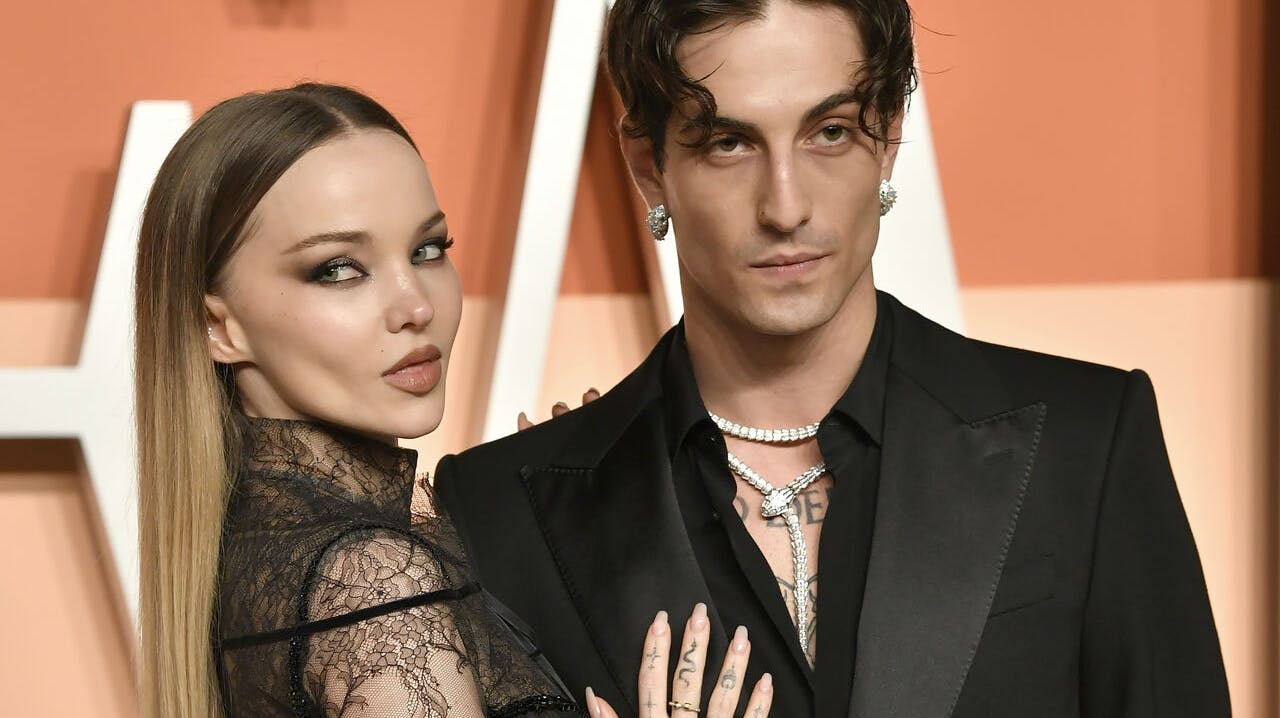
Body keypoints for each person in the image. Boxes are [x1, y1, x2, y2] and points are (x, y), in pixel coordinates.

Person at [434, 2, 1232, 716]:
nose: (786, 206)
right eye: (727, 143)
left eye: (830, 132)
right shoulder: (500, 513)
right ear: (650, 167)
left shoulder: (1084, 445)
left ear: (886, 138)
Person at [134, 83, 773, 718]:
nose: (417, 306)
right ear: (218, 326)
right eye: (338, 269)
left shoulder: (251, 559)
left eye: (428, 249)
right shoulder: (371, 580)